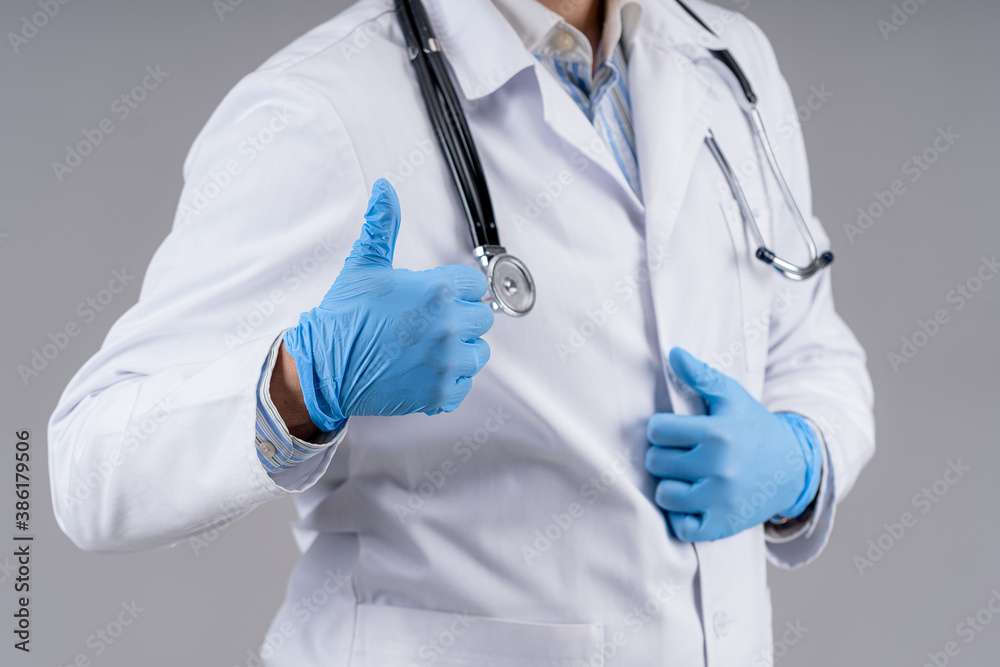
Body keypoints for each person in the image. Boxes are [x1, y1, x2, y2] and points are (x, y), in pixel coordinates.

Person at [48, 0, 875, 664]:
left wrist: (801, 458)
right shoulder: (321, 106)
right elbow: (89, 466)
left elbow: (810, 345)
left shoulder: (727, 62)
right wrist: (305, 382)